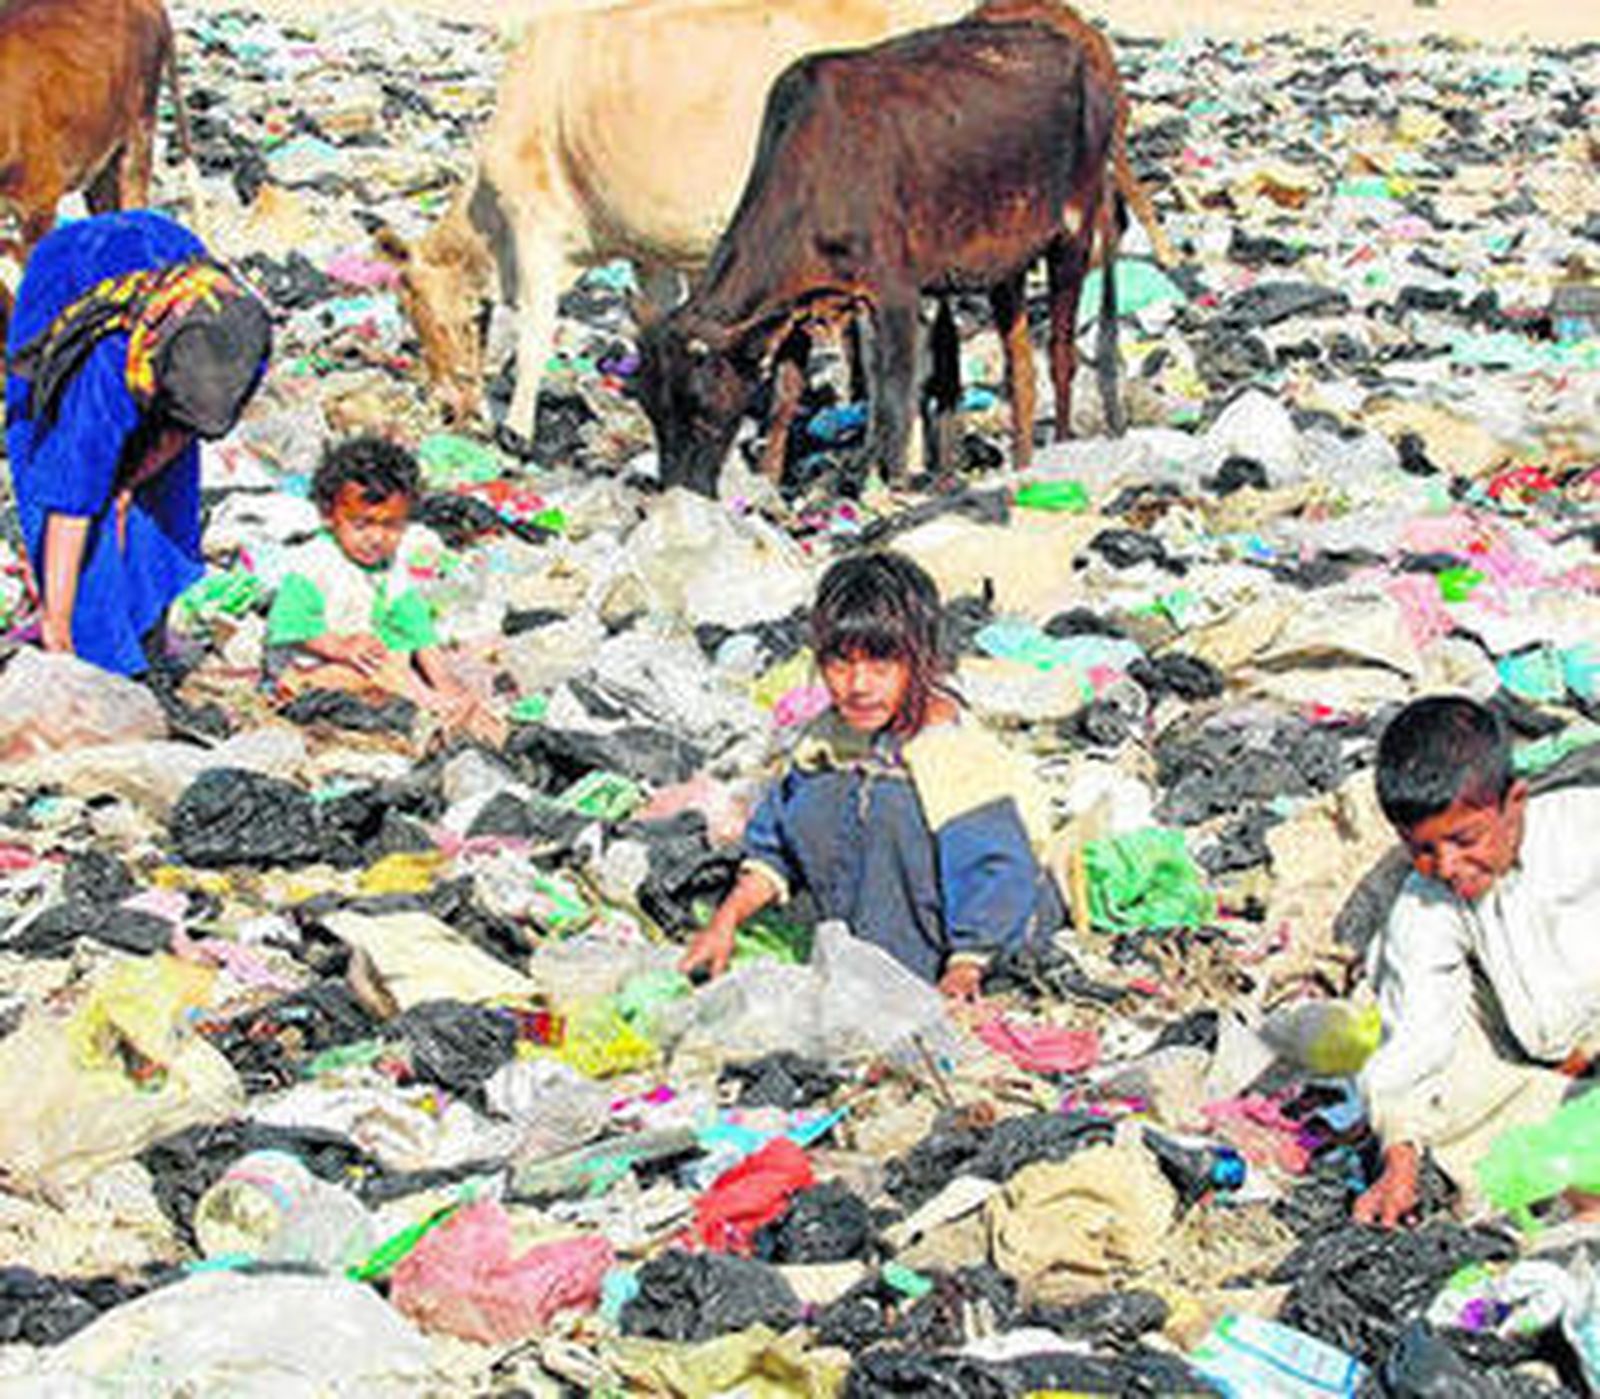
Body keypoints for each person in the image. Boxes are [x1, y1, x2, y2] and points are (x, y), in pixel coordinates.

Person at [679, 550, 1065, 999]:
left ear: (921, 660)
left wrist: (966, 968)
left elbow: (995, 871)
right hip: (860, 946)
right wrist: (724, 922)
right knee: (824, 795)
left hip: (974, 944)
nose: (859, 685)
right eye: (840, 664)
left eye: (882, 665)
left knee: (889, 804)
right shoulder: (826, 741)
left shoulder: (952, 752)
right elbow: (775, 845)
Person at [1354, 695, 1600, 1227]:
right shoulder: (1425, 901)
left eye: (1466, 839)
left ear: (1515, 803)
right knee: (1437, 1098)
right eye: (1422, 849)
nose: (1446, 865)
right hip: (1544, 1066)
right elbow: (1416, 1034)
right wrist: (1400, 1161)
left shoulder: (1587, 831)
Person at [4, 210, 271, 675]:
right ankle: (93, 643)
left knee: (161, 496)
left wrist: (132, 480)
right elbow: (70, 501)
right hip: (68, 275)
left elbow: (187, 425)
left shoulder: (240, 337)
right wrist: (57, 629)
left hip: (168, 255)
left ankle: (147, 630)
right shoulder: (105, 370)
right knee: (62, 472)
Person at [264, 434, 501, 743]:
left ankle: (436, 700)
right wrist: (339, 647)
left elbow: (414, 624)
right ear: (328, 515)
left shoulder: (390, 564)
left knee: (397, 659)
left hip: (364, 657)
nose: (376, 539)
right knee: (377, 672)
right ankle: (431, 706)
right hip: (308, 667)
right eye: (361, 525)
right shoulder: (314, 563)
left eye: (391, 526)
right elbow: (289, 625)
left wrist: (442, 677)